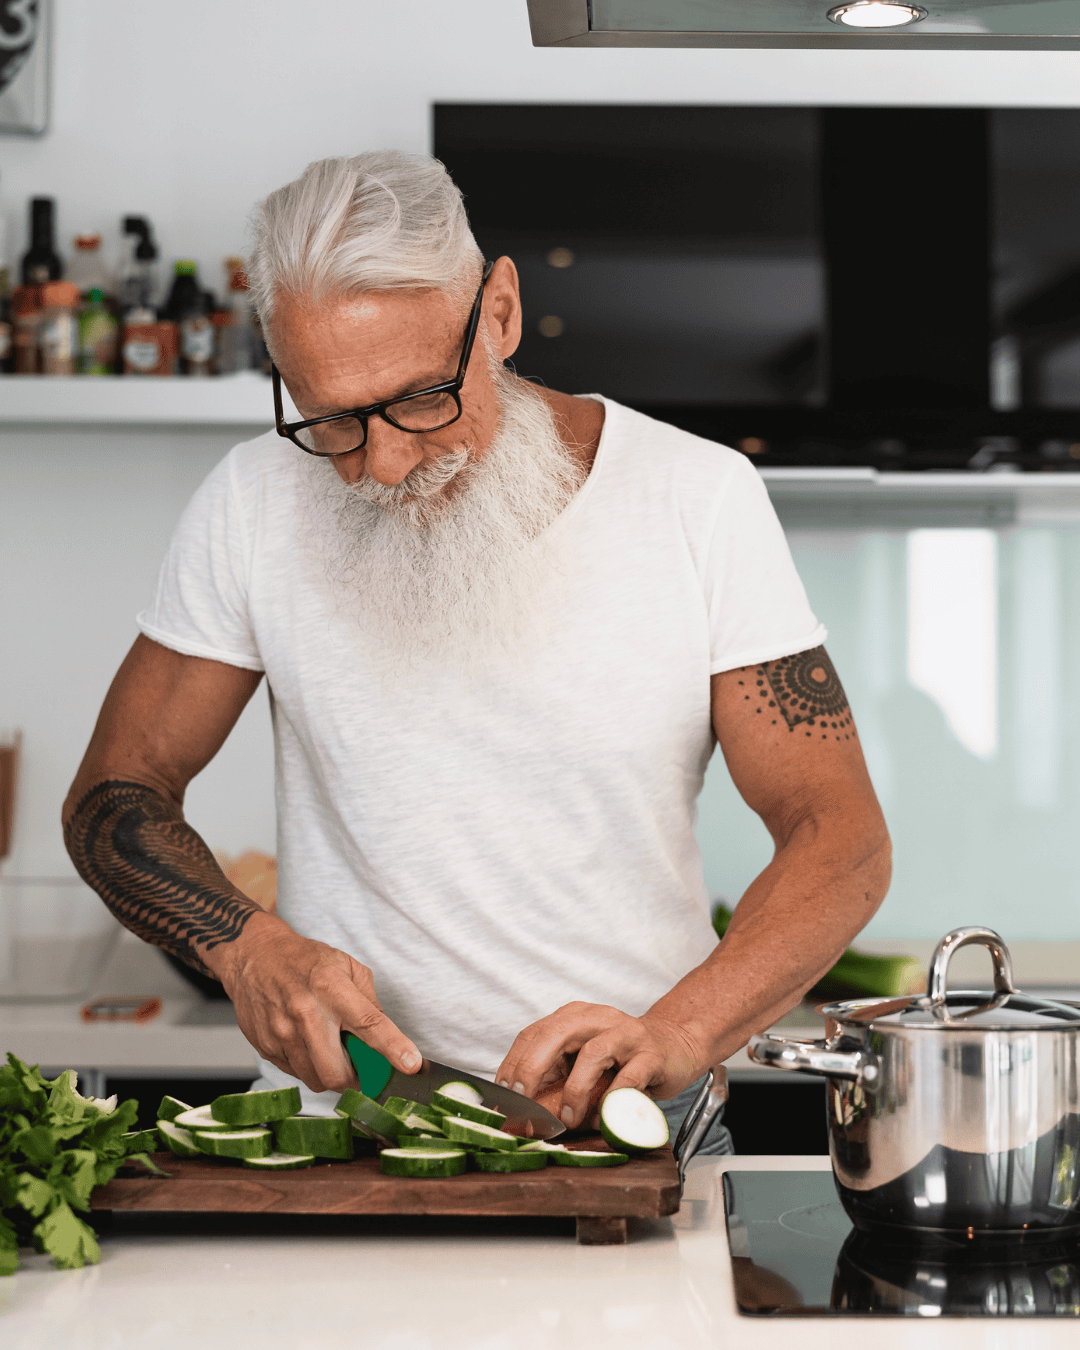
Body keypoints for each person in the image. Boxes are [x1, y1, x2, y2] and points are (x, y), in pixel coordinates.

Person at [63, 151, 890, 1152]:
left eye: (420, 398)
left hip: (638, 1128)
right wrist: (245, 949)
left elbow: (838, 836)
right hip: (357, 1126)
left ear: (499, 313)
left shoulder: (696, 498)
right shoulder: (250, 502)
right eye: (329, 418)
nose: (381, 462)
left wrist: (677, 1033)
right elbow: (118, 791)